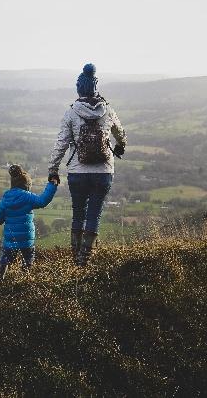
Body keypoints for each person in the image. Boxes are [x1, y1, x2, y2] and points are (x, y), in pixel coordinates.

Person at [48, 63, 127, 266]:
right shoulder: (108, 110)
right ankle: (86, 257)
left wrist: (53, 169)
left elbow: (61, 144)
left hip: (78, 172)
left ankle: (75, 257)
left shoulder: (71, 112)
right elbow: (121, 134)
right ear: (95, 88)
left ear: (79, 89)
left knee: (78, 213)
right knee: (94, 214)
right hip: (103, 171)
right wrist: (119, 148)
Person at [0, 164, 58, 281]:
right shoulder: (27, 197)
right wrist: (52, 184)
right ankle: (26, 279)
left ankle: (0, 280)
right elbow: (43, 201)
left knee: (5, 259)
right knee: (28, 259)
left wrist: (3, 216)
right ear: (26, 185)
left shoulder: (5, 199)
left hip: (10, 240)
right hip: (27, 239)